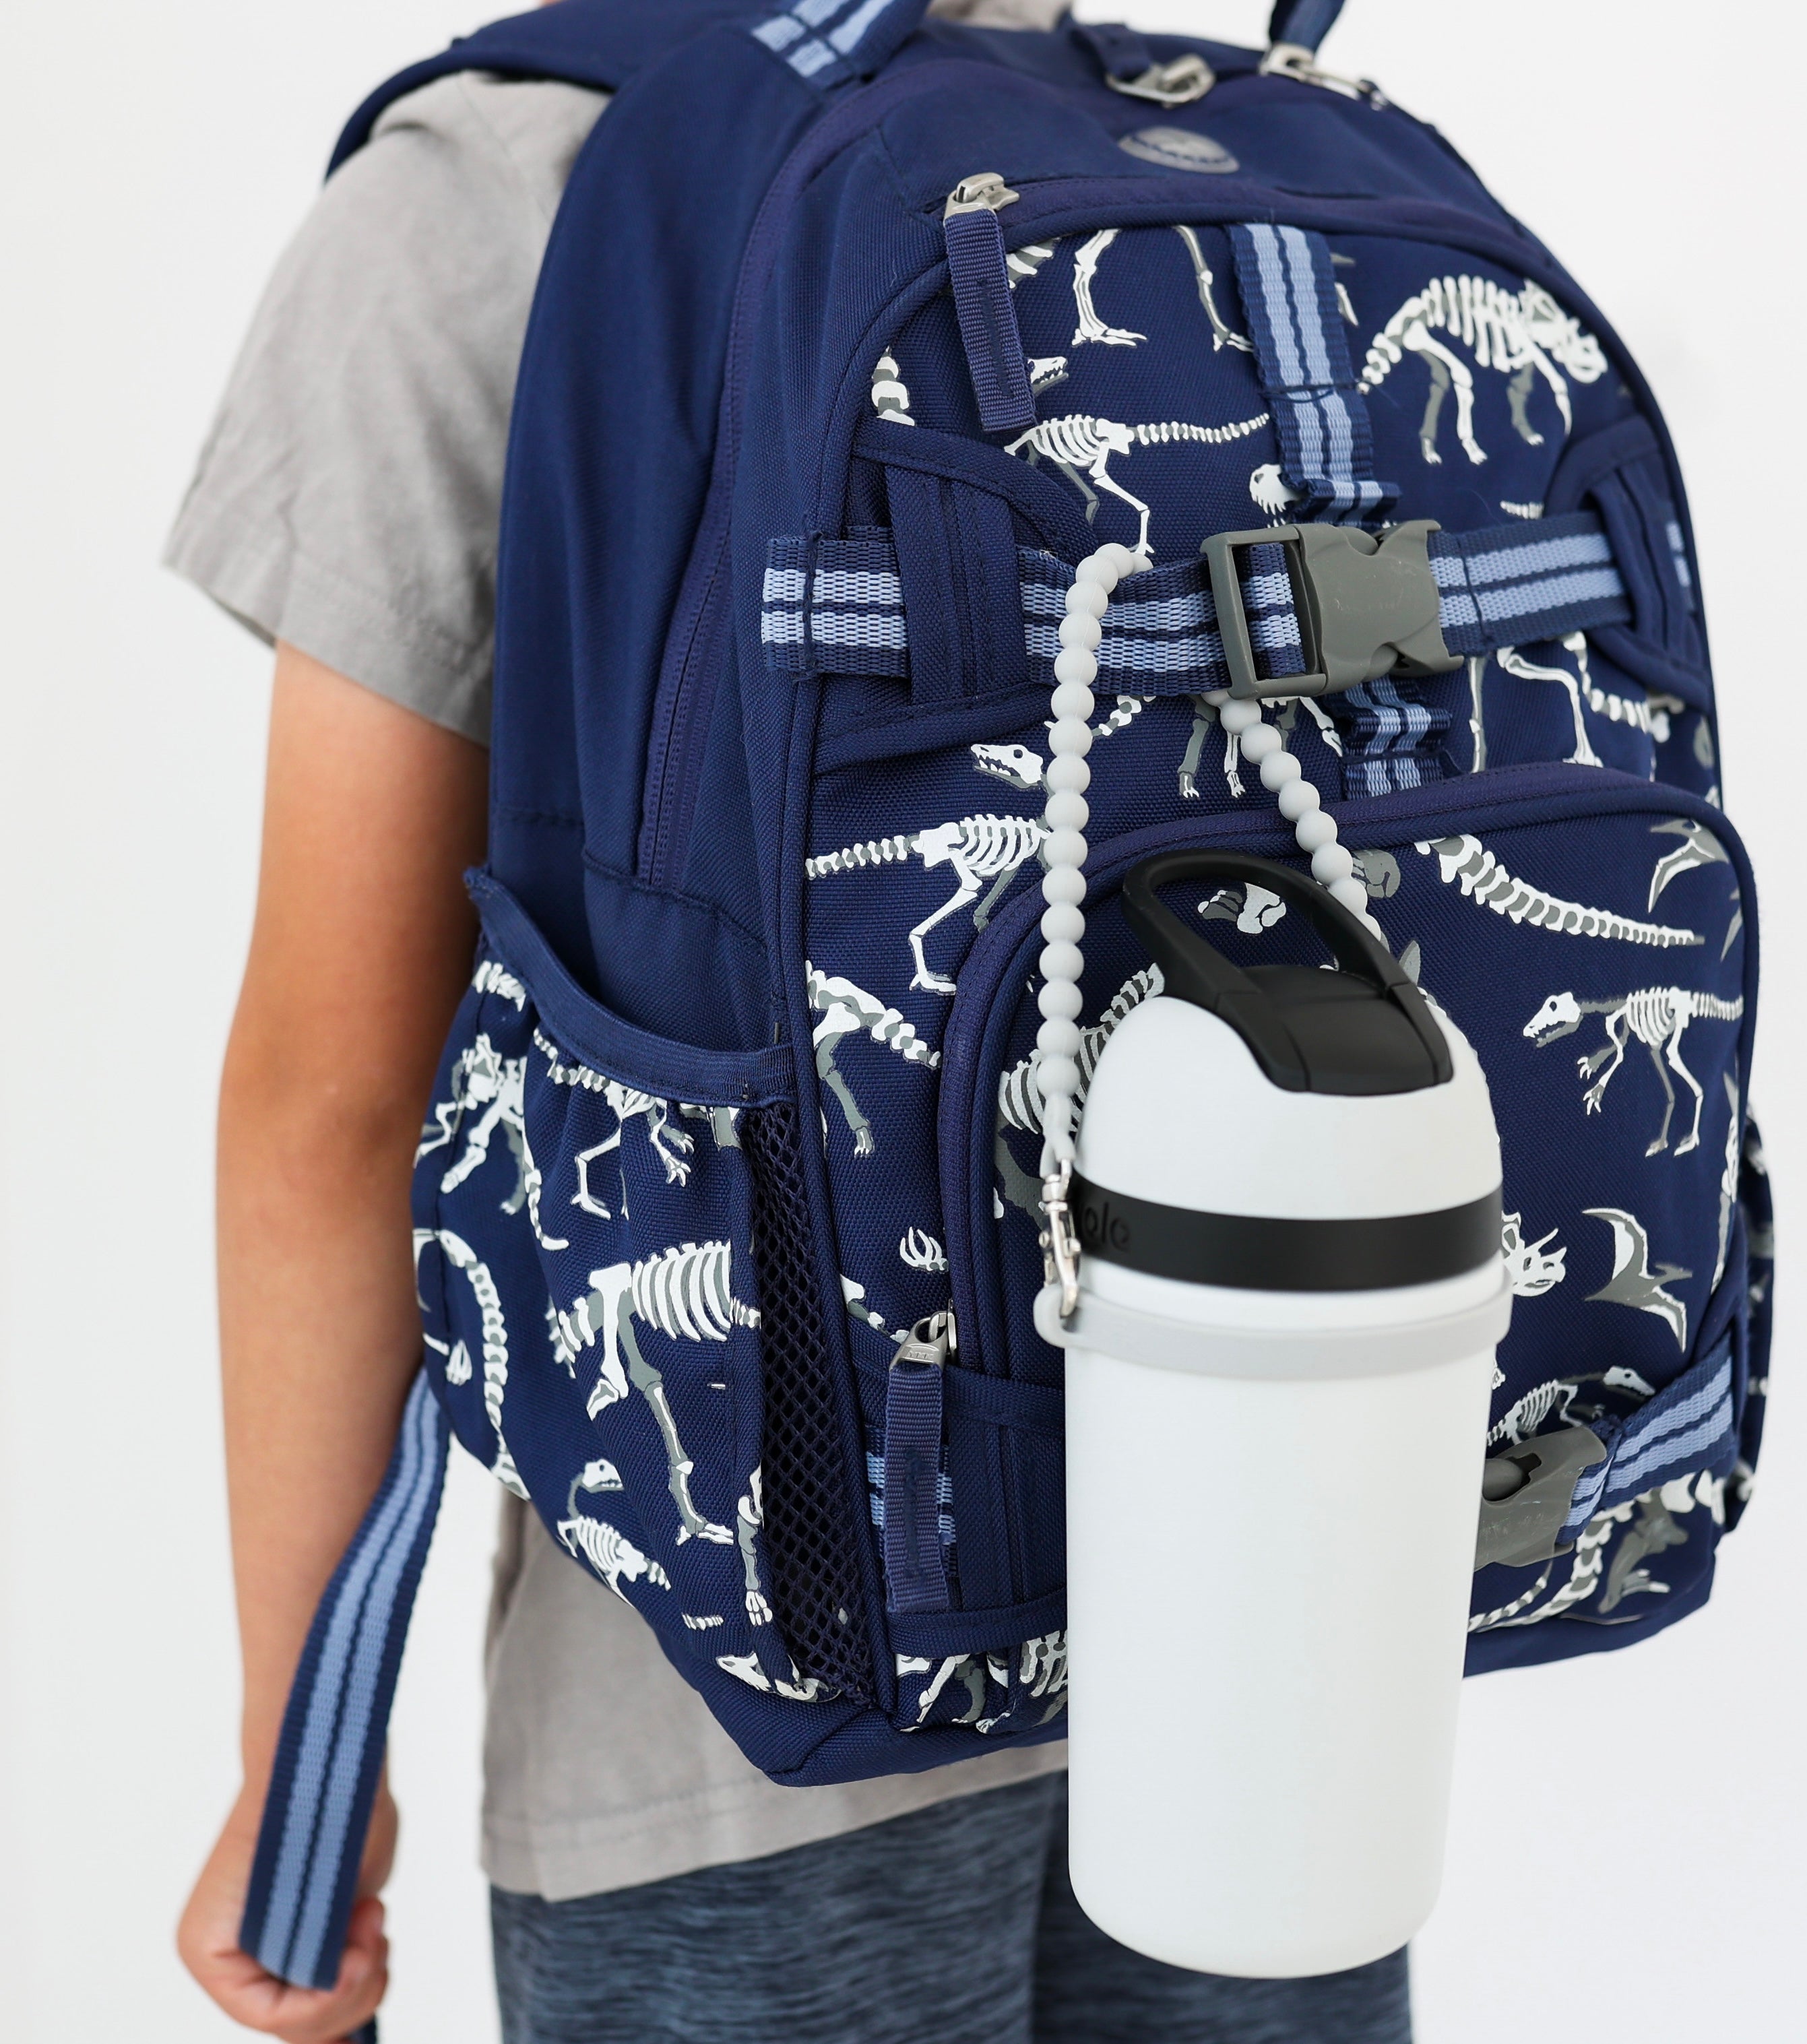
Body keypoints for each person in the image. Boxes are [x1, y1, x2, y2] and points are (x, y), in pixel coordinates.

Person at [167, 5, 1414, 2037]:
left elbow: (334, 1093)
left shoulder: (497, 191)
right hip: (1277, 1601)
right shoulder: (1222, 156)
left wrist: (300, 1770)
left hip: (734, 1715)